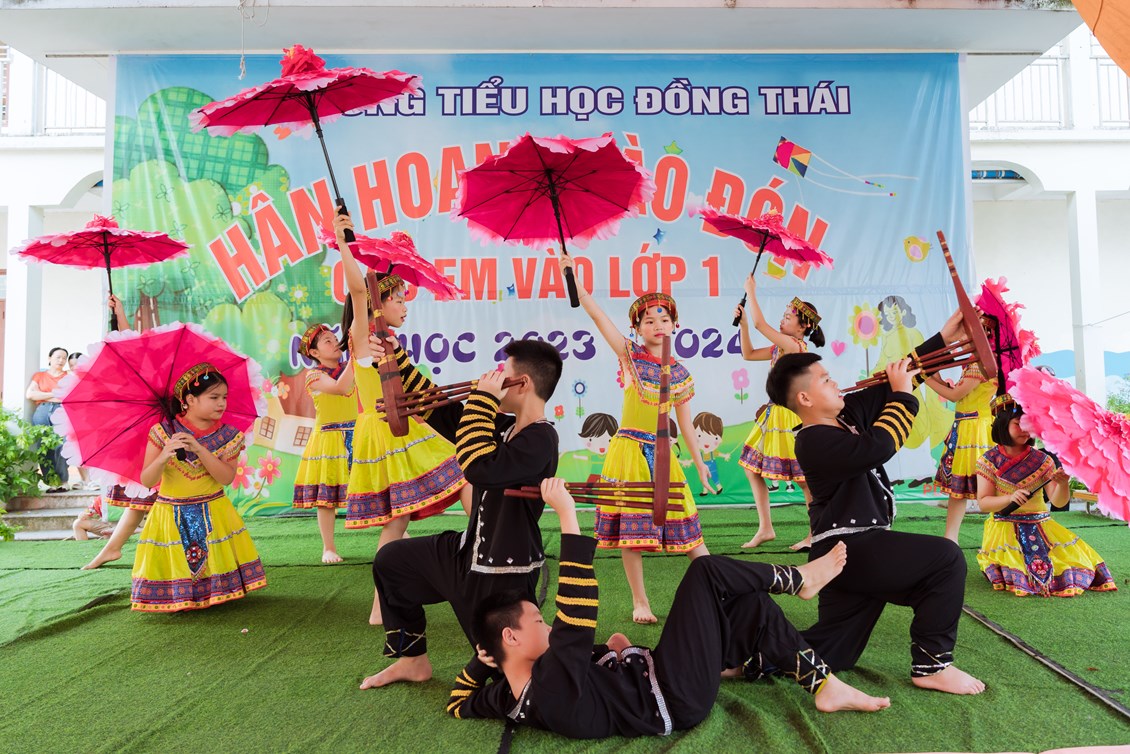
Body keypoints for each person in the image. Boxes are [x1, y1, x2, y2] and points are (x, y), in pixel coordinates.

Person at [446, 478, 889, 738]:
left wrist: (484, 659)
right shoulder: (549, 684)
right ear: (512, 637)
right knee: (705, 573)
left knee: (749, 604)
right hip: (675, 694)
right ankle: (797, 580)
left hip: (667, 678)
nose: (548, 627)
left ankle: (822, 684)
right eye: (539, 621)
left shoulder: (510, 695)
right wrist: (566, 513)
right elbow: (576, 612)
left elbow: (458, 702)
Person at [767, 310, 986, 695]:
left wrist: (946, 336)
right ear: (804, 398)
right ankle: (932, 665)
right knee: (947, 559)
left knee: (834, 651)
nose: (835, 382)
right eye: (826, 379)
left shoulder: (845, 416)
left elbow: (901, 377)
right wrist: (902, 396)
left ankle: (741, 657)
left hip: (847, 555)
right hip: (850, 548)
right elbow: (878, 446)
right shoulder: (812, 440)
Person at [358, 337, 563, 690]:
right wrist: (396, 361)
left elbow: (478, 466)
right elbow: (445, 412)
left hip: (504, 573)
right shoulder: (506, 427)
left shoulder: (542, 439)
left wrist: (483, 399)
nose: (495, 378)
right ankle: (413, 660)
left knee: (505, 677)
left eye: (503, 373)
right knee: (391, 561)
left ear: (523, 384)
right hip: (467, 552)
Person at [334, 211, 470, 624]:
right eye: (398, 298)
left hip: (395, 425)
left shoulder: (384, 343)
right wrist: (345, 242)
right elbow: (358, 290)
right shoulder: (363, 339)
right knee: (463, 475)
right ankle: (488, 552)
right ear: (379, 301)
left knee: (398, 521)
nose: (405, 305)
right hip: (386, 430)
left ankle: (382, 607)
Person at [563, 255, 715, 625]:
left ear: (675, 324)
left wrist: (700, 466)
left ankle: (718, 588)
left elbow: (684, 422)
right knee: (632, 531)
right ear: (637, 329)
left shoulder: (681, 373)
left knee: (689, 527)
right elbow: (598, 317)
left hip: (663, 453)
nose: (658, 325)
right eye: (649, 320)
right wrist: (575, 282)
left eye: (664, 319)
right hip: (629, 450)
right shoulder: (630, 357)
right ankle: (640, 601)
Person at [130, 363, 266, 612]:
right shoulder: (162, 433)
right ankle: (177, 597)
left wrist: (200, 449)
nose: (221, 403)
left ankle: (216, 593)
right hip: (169, 515)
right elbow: (147, 480)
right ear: (190, 400)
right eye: (214, 397)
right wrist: (163, 456)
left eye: (224, 397)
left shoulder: (230, 436)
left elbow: (226, 477)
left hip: (214, 512)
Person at [975, 395, 1117, 597]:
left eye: (1029, 424)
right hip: (1004, 525)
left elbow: (1058, 501)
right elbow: (983, 503)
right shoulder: (988, 460)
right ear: (1002, 425)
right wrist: (1010, 498)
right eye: (1019, 423)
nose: (1025, 429)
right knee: (1018, 569)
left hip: (1042, 524)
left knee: (1071, 565)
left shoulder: (1043, 460)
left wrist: (1062, 483)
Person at [734, 275, 822, 550]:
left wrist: (751, 291)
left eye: (788, 317)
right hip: (773, 416)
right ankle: (765, 528)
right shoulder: (780, 347)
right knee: (752, 468)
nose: (782, 320)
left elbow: (761, 325)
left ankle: (816, 533)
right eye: (783, 316)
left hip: (790, 418)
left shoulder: (795, 346)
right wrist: (743, 323)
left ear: (803, 327)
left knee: (804, 480)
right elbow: (748, 353)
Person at [81, 295, 157, 571]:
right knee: (142, 499)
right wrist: (120, 313)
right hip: (148, 440)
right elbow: (129, 344)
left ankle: (114, 548)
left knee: (149, 500)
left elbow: (133, 347)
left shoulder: (156, 373)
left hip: (165, 439)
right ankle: (112, 548)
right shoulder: (134, 372)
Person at [291, 323, 357, 564]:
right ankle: (328, 547)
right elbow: (340, 388)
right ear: (314, 353)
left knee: (376, 485)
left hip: (358, 434)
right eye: (327, 341)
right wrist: (356, 357)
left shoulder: (350, 367)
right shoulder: (314, 376)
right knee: (326, 499)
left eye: (334, 338)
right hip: (329, 440)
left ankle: (398, 533)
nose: (334, 342)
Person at [874, 295, 954, 487]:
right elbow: (882, 362)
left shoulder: (915, 334)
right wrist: (874, 375)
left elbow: (929, 362)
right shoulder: (887, 338)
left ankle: (923, 472)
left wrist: (939, 382)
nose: (891, 316)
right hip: (894, 390)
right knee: (896, 427)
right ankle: (898, 474)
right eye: (887, 313)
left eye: (894, 312)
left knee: (919, 426)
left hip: (914, 388)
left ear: (903, 312)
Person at [924, 361, 996, 542]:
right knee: (958, 490)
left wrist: (924, 378)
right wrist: (934, 376)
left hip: (975, 430)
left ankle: (997, 538)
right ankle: (951, 538)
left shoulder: (980, 365)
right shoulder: (977, 363)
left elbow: (955, 395)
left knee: (988, 488)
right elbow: (958, 392)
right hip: (967, 427)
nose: (961, 346)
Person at [26, 346, 70, 492]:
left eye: (64, 358)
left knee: (62, 445)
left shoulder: (68, 377)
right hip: (42, 411)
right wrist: (55, 394)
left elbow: (67, 397)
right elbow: (30, 395)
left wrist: (43, 394)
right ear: (50, 358)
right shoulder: (39, 376)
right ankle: (51, 482)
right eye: (58, 357)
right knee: (44, 447)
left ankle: (63, 480)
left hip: (62, 411)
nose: (61, 360)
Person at [685, 411, 730, 495]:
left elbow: (719, 454)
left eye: (715, 438)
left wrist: (725, 455)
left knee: (714, 477)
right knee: (704, 478)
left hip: (712, 465)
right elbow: (696, 458)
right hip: (703, 464)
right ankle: (705, 491)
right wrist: (689, 461)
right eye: (699, 436)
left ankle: (719, 487)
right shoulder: (699, 453)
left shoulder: (713, 452)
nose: (706, 442)